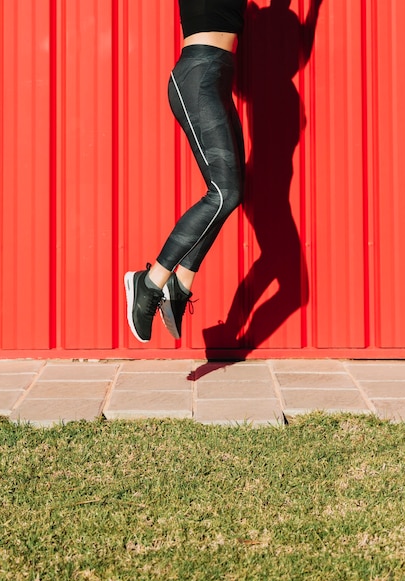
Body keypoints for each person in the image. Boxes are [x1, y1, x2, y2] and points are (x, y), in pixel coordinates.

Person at [124, 0, 247, 343]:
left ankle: (181, 283)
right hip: (198, 75)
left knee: (233, 191)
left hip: (219, 76)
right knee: (224, 192)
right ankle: (149, 282)